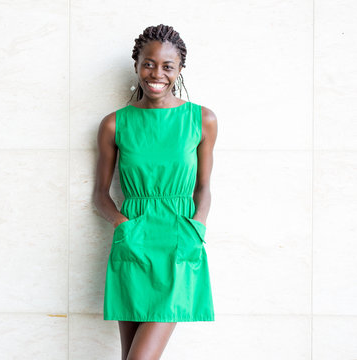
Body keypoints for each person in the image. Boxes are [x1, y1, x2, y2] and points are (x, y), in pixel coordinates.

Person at [93, 24, 218, 359]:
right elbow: (100, 195)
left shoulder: (201, 119)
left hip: (179, 242)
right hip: (133, 241)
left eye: (167, 66)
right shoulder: (113, 124)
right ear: (136, 65)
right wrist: (123, 226)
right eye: (149, 63)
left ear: (179, 70)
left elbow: (204, 186)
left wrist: (198, 227)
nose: (156, 73)